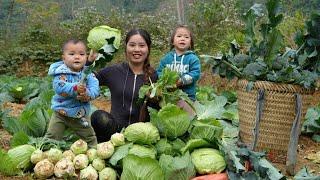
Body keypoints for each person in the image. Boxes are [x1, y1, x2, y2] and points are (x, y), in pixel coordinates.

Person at [84, 29, 158, 142]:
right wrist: (89, 62)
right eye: (132, 45)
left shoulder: (154, 77)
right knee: (98, 117)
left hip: (141, 135)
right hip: (115, 133)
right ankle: (103, 147)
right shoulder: (114, 71)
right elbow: (87, 79)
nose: (137, 49)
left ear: (148, 48)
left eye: (142, 45)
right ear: (126, 47)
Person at [45, 39, 100, 148]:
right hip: (60, 114)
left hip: (80, 115)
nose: (77, 57)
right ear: (63, 58)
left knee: (89, 138)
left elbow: (95, 89)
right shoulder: (60, 72)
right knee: (52, 137)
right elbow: (59, 86)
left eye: (81, 54)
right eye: (72, 54)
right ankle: (46, 155)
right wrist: (75, 87)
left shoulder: (89, 74)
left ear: (86, 57)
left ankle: (94, 154)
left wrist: (87, 94)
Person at [156, 24, 201, 101]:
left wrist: (181, 80)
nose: (182, 39)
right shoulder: (166, 59)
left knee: (187, 113)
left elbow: (195, 73)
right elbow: (159, 72)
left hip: (187, 97)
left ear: (190, 43)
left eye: (186, 37)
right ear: (173, 41)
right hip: (168, 95)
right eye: (179, 36)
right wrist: (164, 81)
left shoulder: (193, 59)